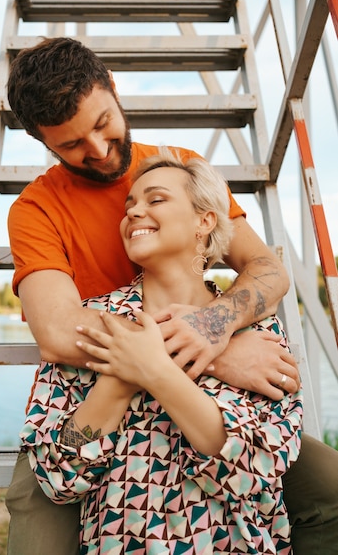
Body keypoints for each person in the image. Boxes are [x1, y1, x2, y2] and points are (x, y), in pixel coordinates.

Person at [6, 36, 338, 554]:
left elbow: (266, 269)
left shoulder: (177, 167)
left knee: (328, 485)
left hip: (193, 408)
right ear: (45, 144)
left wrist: (215, 325)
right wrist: (210, 354)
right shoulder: (36, 209)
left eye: (101, 123)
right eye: (70, 145)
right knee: (37, 511)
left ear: (113, 89)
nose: (97, 150)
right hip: (94, 391)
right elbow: (55, 331)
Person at [20, 150, 303, 554]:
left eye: (155, 200)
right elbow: (58, 475)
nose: (134, 212)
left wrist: (154, 369)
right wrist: (120, 378)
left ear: (204, 221)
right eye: (129, 204)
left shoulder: (255, 326)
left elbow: (252, 470)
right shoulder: (96, 323)